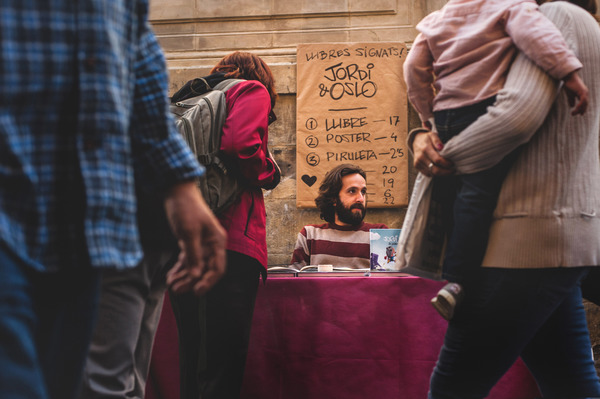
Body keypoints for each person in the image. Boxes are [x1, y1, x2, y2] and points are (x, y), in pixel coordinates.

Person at [0, 2, 227, 399]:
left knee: (83, 384)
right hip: (14, 205)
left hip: (91, 223)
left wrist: (180, 185)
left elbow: (138, 57)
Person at [398, 1, 600, 397]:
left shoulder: (555, 18)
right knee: (571, 385)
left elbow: (514, 117)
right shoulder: (570, 23)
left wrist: (441, 157)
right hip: (549, 239)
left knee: (453, 386)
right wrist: (420, 137)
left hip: (523, 242)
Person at [169, 51, 281, 399]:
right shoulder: (250, 90)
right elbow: (242, 146)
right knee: (222, 364)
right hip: (230, 242)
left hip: (182, 241)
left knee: (194, 357)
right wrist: (270, 173)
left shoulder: (189, 98)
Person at [290, 164, 387, 269]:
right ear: (334, 198)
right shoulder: (310, 235)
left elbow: (392, 282)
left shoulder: (380, 235)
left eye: (363, 192)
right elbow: (295, 282)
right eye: (352, 191)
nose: (361, 199)